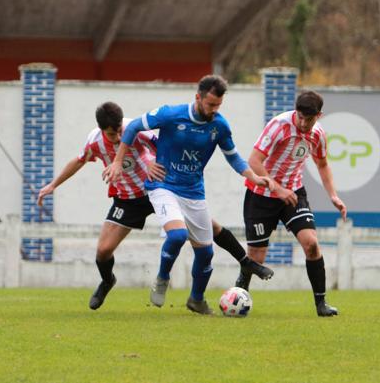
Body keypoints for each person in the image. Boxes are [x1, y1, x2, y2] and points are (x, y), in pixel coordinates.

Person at [37, 101, 269, 311]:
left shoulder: (135, 130)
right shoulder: (95, 141)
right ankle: (108, 281)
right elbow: (78, 161)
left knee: (209, 228)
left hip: (158, 189)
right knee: (103, 250)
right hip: (128, 198)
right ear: (101, 130)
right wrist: (53, 185)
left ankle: (245, 262)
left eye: (119, 130)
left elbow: (165, 147)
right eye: (112, 134)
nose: (118, 137)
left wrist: (151, 163)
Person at [104, 75, 273, 315]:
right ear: (198, 98)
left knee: (205, 253)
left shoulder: (220, 126)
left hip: (193, 191)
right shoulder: (171, 115)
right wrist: (118, 162)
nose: (214, 110)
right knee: (177, 236)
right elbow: (132, 127)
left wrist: (253, 177)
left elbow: (233, 156)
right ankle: (162, 278)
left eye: (218, 105)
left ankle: (196, 299)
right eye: (210, 104)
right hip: (163, 186)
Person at [237, 90, 347, 317]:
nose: (304, 123)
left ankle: (321, 304)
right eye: (301, 117)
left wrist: (333, 195)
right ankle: (238, 297)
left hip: (294, 193)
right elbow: (254, 162)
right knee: (256, 256)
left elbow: (323, 164)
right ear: (296, 111)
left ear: (319, 116)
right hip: (261, 194)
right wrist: (277, 189)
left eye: (310, 119)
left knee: (312, 244)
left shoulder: (318, 135)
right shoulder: (279, 126)